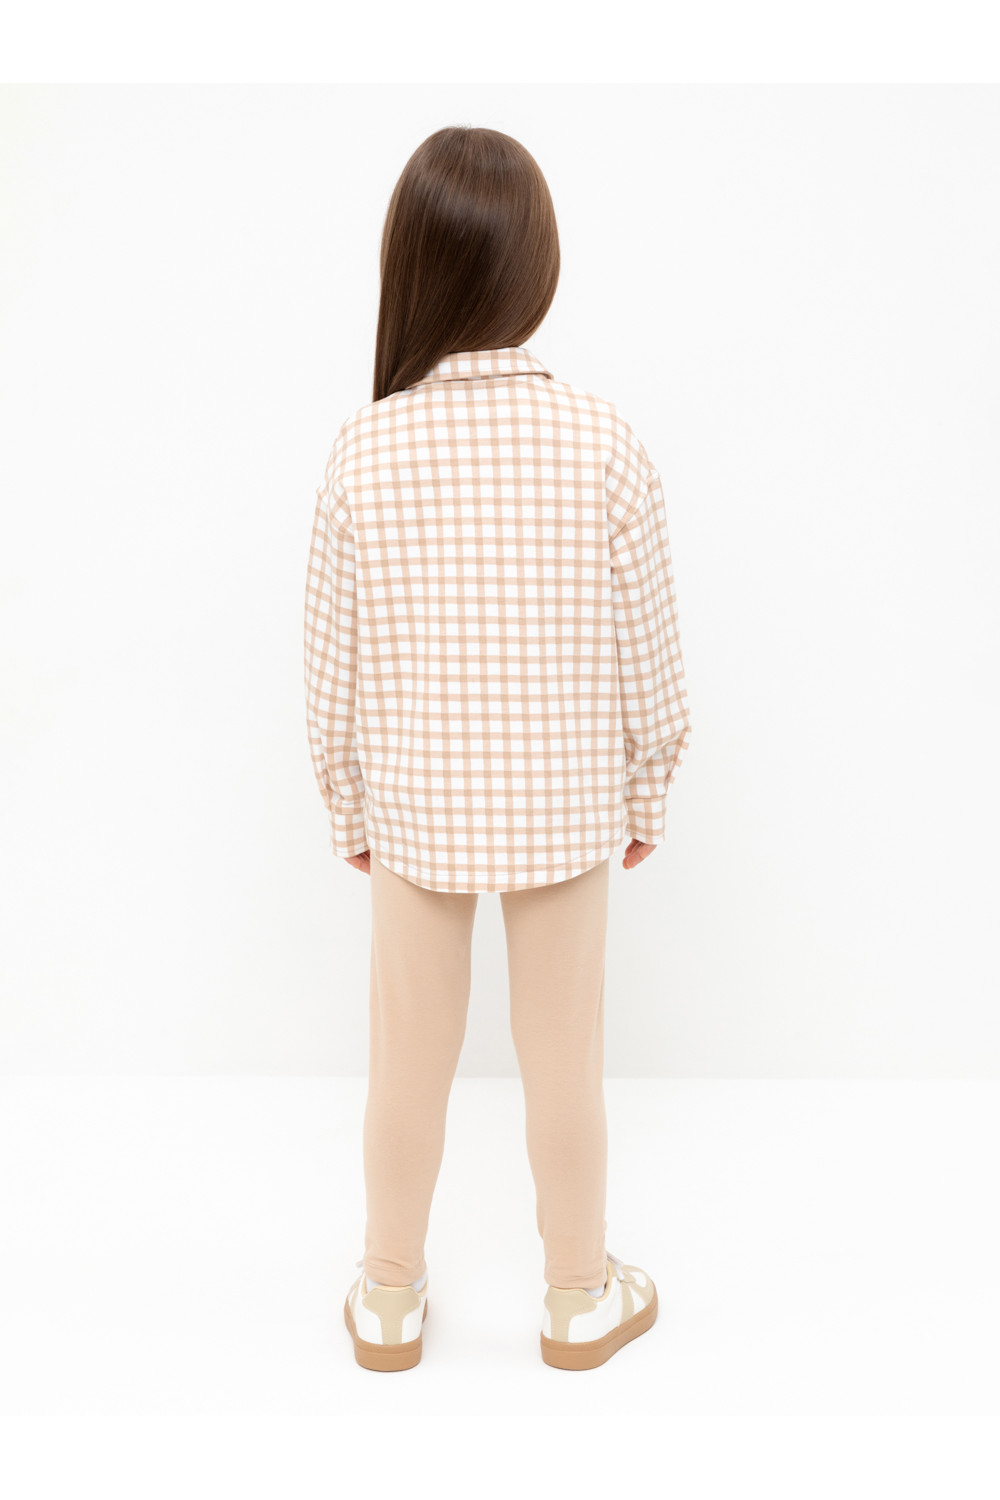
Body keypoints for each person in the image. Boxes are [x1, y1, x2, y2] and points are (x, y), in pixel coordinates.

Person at [303, 125, 691, 1372]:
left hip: (417, 813)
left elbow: (329, 664)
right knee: (563, 1062)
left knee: (404, 1064)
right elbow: (651, 650)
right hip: (564, 809)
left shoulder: (363, 448)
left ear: (410, 264)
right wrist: (648, 785)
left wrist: (346, 804)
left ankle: (386, 1295)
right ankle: (578, 1295)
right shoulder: (603, 440)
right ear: (535, 267)